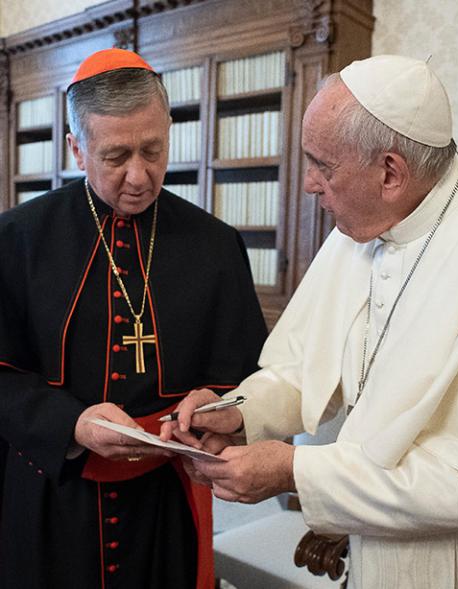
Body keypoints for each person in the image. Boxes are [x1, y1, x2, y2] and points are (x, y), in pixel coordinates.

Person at [161, 55, 458, 588]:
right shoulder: (363, 222)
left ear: (390, 172)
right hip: (368, 551)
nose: (308, 184)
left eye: (323, 166)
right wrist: (237, 412)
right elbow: (303, 366)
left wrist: (294, 472)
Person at [0, 48, 267, 589]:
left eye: (154, 149)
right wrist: (70, 424)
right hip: (52, 497)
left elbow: (247, 373)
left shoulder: (215, 245)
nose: (140, 176)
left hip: (165, 501)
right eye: (117, 155)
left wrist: (216, 405)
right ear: (77, 149)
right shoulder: (17, 240)